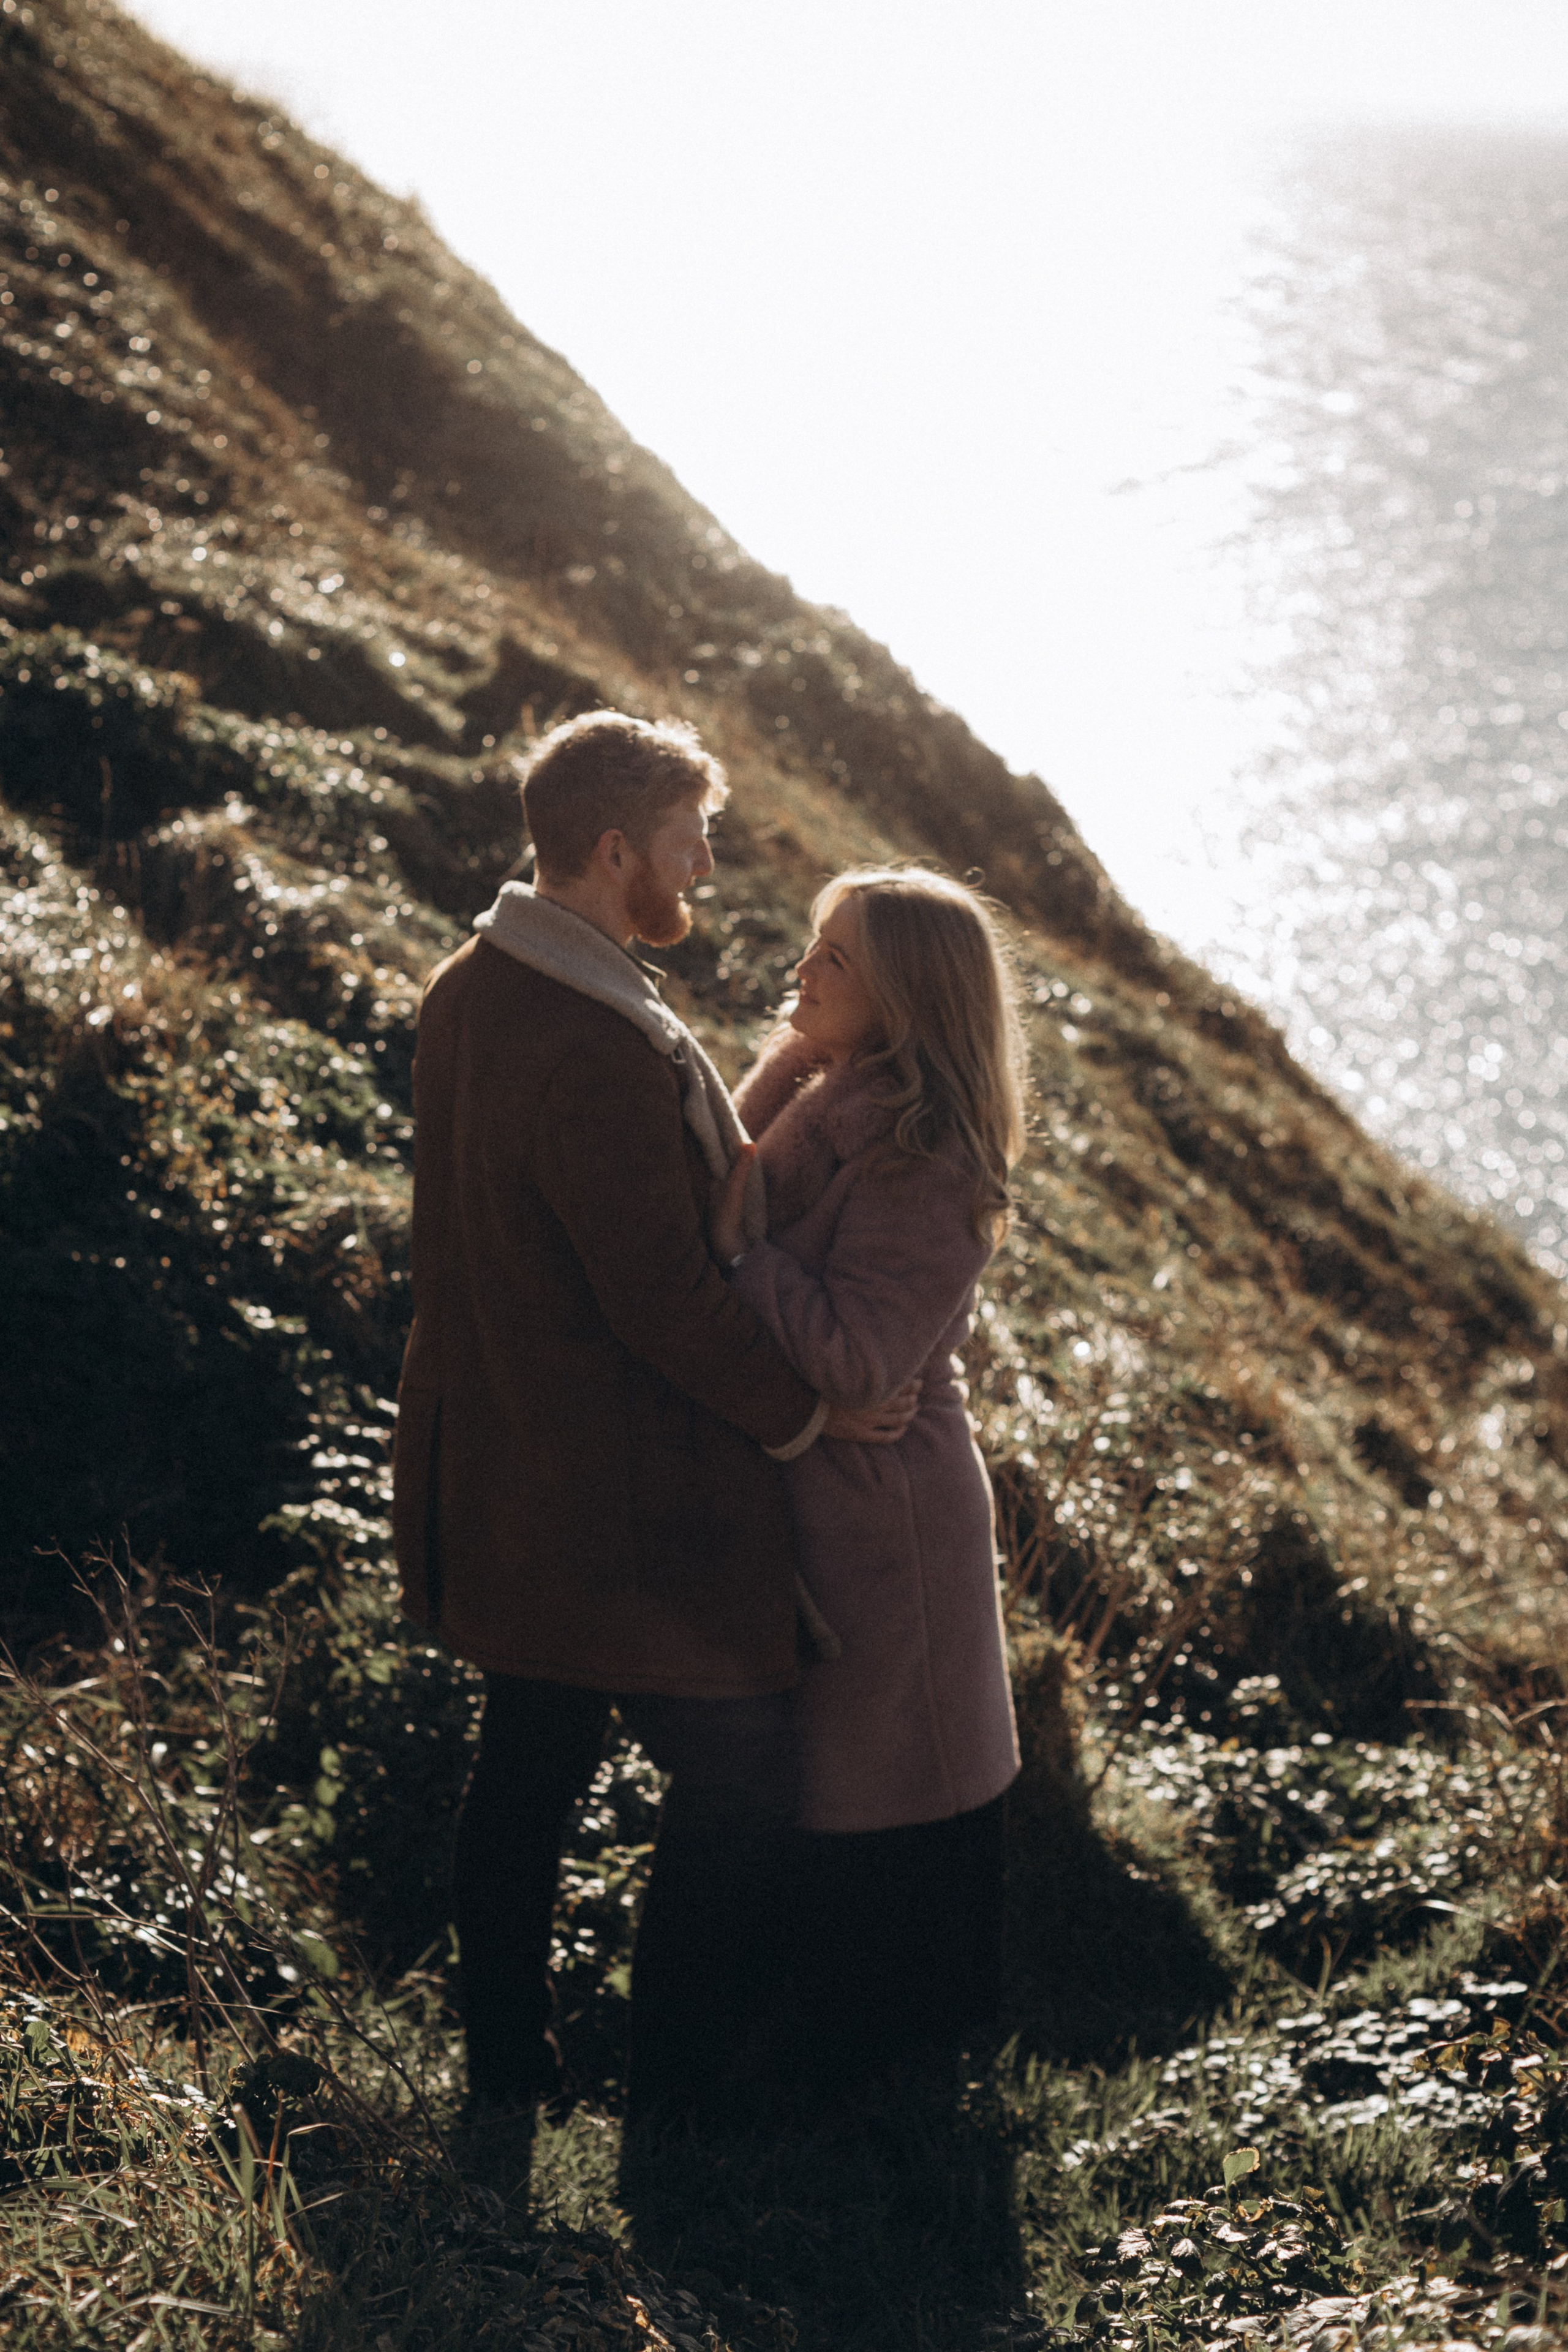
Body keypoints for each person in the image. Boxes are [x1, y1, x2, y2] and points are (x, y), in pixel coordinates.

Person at [391, 710, 914, 2122]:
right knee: (742, 1775)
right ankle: (675, 2090)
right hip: (606, 1492)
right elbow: (661, 1300)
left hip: (502, 1454)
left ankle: (511, 2078)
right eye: (688, 838)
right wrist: (806, 1418)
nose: (704, 864)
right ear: (612, 846)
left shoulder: (474, 984)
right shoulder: (591, 1045)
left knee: (527, 1770)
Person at [710, 865, 1027, 2085]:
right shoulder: (821, 1088)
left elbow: (860, 1360)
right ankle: (850, 2048)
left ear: (901, 997)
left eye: (832, 957)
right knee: (845, 1775)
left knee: (896, 1778)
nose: (801, 970)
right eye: (811, 943)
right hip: (827, 1494)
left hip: (887, 1515)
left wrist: (745, 1259)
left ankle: (891, 2066)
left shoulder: (923, 1161)